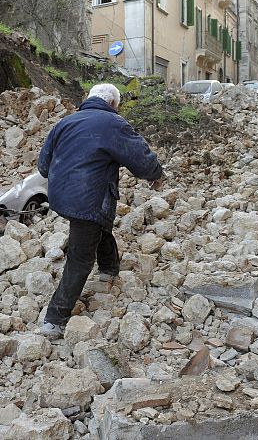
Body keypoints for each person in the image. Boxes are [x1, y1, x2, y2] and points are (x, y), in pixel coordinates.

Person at [37, 83, 163, 338]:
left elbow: (43, 166)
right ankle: (54, 319)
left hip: (61, 197)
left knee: (98, 225)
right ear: (114, 104)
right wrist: (157, 174)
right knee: (80, 258)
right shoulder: (114, 124)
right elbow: (140, 158)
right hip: (88, 199)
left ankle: (109, 268)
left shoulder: (66, 123)